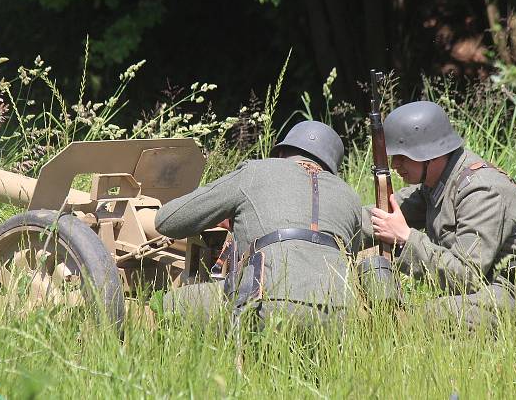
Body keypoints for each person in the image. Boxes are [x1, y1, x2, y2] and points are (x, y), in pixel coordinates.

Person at [368, 101, 516, 329]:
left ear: (430, 155)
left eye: (403, 156)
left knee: (437, 314)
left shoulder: (480, 191)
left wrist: (405, 237)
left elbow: (466, 275)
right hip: (492, 286)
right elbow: (383, 212)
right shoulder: (437, 182)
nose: (395, 164)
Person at [155, 120, 365, 325]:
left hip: (267, 302)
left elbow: (168, 221)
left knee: (171, 303)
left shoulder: (254, 172)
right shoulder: (351, 197)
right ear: (330, 167)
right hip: (340, 315)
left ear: (282, 154)